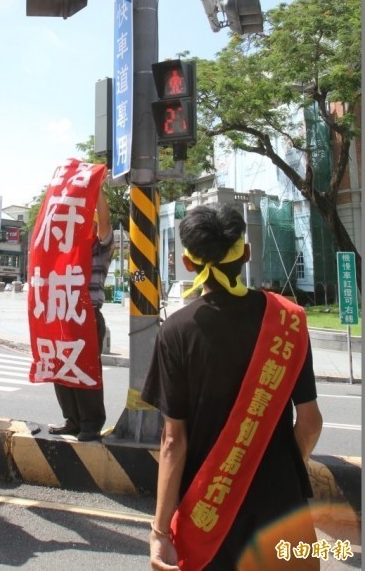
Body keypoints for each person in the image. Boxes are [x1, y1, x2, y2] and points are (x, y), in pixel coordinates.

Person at [141, 204, 323, 571]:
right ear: (247, 252)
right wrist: (277, 465)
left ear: (190, 264)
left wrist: (160, 531)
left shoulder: (176, 332)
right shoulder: (288, 319)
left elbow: (173, 441)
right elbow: (309, 422)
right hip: (282, 504)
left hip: (209, 513)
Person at [48, 187, 115, 442]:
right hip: (63, 313)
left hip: (88, 315)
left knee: (85, 368)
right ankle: (72, 419)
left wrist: (97, 190)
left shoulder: (101, 250)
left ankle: (91, 422)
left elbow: (106, 222)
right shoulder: (66, 251)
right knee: (61, 368)